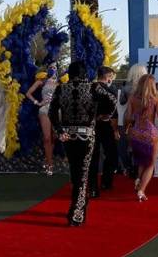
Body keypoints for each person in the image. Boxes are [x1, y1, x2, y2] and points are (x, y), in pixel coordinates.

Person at [48, 61, 114, 226]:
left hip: (68, 137)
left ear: (70, 73)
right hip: (87, 136)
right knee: (83, 174)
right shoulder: (93, 88)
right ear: (85, 73)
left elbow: (51, 112)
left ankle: (78, 208)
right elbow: (112, 101)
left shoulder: (61, 88)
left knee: (75, 172)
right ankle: (77, 214)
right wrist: (102, 116)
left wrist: (60, 130)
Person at [125, 75, 158, 202]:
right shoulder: (155, 99)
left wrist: (129, 128)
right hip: (151, 134)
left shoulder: (132, 98)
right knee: (150, 165)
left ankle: (138, 179)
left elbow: (128, 117)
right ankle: (141, 190)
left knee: (141, 162)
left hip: (136, 133)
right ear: (152, 85)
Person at [88, 66, 119, 197]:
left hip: (91, 126)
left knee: (93, 157)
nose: (112, 78)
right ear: (107, 76)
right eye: (111, 76)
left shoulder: (89, 88)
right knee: (111, 154)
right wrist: (116, 129)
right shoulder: (110, 90)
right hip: (106, 126)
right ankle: (106, 182)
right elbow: (114, 114)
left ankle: (93, 187)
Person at [25, 63, 59, 175]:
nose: (52, 69)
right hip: (44, 110)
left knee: (54, 136)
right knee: (47, 137)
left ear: (57, 69)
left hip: (57, 111)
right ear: (47, 69)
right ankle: (50, 165)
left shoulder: (60, 82)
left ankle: (48, 159)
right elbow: (28, 93)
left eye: (54, 67)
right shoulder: (42, 81)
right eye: (50, 67)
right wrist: (37, 102)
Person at [117, 64, 147, 177]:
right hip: (143, 116)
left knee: (128, 143)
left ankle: (129, 167)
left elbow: (122, 101)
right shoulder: (147, 86)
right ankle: (140, 168)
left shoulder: (126, 86)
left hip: (128, 117)